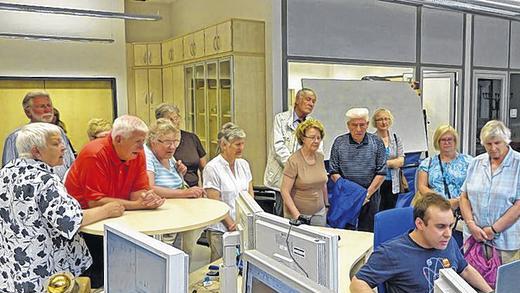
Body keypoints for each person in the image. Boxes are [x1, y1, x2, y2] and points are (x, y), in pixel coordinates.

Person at [0, 123, 124, 293]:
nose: (64, 148)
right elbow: (69, 221)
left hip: (15, 264)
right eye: (56, 143)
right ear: (37, 151)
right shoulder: (45, 180)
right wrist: (108, 210)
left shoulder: (7, 172)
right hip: (44, 269)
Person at [65, 115, 165, 287]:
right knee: (97, 276)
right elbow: (95, 202)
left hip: (119, 217)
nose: (142, 147)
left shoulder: (137, 154)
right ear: (118, 139)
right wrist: (137, 205)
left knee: (126, 271)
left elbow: (139, 189)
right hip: (88, 226)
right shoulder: (94, 154)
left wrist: (147, 198)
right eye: (138, 141)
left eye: (143, 141)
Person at [350, 193, 493, 293]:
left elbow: (465, 269)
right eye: (440, 226)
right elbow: (358, 282)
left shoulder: (447, 242)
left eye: (450, 225)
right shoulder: (392, 252)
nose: (448, 233)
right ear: (420, 223)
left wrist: (490, 291)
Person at [460, 120, 520, 266]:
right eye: (488, 144)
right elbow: (464, 197)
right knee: (473, 284)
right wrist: (471, 225)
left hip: (506, 242)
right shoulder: (476, 162)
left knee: (504, 286)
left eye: (497, 143)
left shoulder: (518, 163)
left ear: (506, 141)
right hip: (474, 238)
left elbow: (518, 205)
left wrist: (493, 230)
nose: (493, 148)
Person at [329, 107, 386, 232]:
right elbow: (333, 171)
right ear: (348, 126)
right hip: (346, 196)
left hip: (370, 196)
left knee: (368, 232)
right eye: (354, 125)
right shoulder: (339, 142)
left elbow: (381, 172)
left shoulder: (376, 142)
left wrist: (365, 195)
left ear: (367, 125)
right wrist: (352, 193)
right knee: (345, 232)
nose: (358, 129)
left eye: (362, 125)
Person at [203, 123, 253, 261]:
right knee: (221, 266)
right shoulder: (212, 168)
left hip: (242, 226)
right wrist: (231, 224)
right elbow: (215, 202)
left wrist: (246, 220)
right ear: (224, 145)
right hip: (221, 228)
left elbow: (249, 194)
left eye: (243, 144)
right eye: (237, 144)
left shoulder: (244, 164)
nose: (241, 148)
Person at [2, 91, 75, 180]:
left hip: (63, 188)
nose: (48, 110)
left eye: (49, 105)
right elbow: (9, 175)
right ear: (28, 112)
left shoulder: (59, 132)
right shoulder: (15, 138)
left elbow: (72, 164)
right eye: (42, 106)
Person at [264, 88, 318, 191]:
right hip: (281, 179)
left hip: (303, 181)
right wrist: (295, 169)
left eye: (313, 101)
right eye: (308, 99)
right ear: (297, 100)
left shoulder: (313, 125)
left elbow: (317, 150)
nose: (311, 104)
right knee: (283, 206)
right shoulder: (280, 119)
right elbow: (278, 148)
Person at [280, 118, 328, 226]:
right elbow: (284, 191)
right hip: (298, 215)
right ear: (303, 138)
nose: (316, 141)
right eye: (312, 137)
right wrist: (297, 216)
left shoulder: (320, 157)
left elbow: (323, 183)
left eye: (318, 138)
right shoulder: (293, 161)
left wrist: (327, 204)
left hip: (319, 213)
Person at [417, 125, 473, 209]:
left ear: (455, 141)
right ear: (438, 142)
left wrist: (459, 201)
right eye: (443, 140)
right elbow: (422, 187)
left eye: (449, 139)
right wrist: (441, 201)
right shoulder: (427, 163)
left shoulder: (469, 161)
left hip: (463, 208)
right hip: (435, 208)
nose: (447, 142)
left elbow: (475, 186)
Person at [155, 103, 207, 187]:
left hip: (194, 189)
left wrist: (205, 188)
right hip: (171, 189)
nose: (174, 122)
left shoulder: (192, 138)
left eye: (176, 118)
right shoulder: (157, 142)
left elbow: (204, 168)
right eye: (170, 119)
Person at [372, 108, 405, 211]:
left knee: (390, 211)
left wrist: (383, 163)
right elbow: (371, 164)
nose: (383, 122)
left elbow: (401, 161)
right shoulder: (371, 140)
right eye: (380, 119)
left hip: (393, 183)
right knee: (377, 211)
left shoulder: (396, 138)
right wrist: (392, 163)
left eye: (386, 119)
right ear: (375, 122)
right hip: (377, 183)